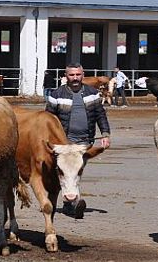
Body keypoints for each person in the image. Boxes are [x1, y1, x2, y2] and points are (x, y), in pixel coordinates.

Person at [46, 62, 111, 219]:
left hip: (84, 142)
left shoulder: (92, 93)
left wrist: (105, 133)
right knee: (67, 173)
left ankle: (71, 202)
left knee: (75, 173)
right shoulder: (56, 94)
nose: (75, 78)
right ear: (66, 76)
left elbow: (100, 114)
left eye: (78, 74)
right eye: (71, 75)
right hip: (64, 142)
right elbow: (48, 119)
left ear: (83, 75)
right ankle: (72, 202)